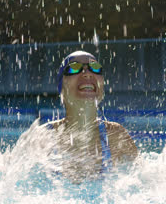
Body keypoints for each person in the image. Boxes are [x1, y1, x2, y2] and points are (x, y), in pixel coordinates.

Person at [45, 51, 138, 182]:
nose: (88, 73)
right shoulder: (43, 138)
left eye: (95, 68)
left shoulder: (115, 136)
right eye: (74, 68)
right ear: (62, 87)